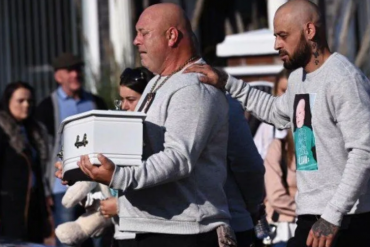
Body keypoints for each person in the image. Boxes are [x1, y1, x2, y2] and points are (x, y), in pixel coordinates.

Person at [184, 1, 370, 247]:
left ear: (309, 31)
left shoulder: (344, 79)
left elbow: (363, 151)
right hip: (311, 218)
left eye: (283, 36)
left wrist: (333, 216)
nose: (276, 45)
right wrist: (226, 81)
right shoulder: (298, 78)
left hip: (346, 222)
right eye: (275, 36)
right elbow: (275, 111)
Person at [57, 3, 231, 247]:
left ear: (171, 36)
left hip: (182, 232)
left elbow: (178, 159)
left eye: (144, 33)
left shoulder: (194, 87)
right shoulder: (157, 83)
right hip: (142, 227)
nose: (136, 41)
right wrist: (78, 166)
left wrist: (118, 175)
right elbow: (133, 148)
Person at [35, 52, 107, 247]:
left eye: (77, 70)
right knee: (67, 238)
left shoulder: (96, 102)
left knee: (97, 235)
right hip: (61, 186)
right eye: (69, 71)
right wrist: (46, 189)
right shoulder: (46, 107)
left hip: (96, 181)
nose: (75, 74)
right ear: (58, 76)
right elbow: (42, 152)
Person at [0, 82, 52, 244]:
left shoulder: (33, 131)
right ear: (8, 101)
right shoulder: (2, 131)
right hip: (8, 208)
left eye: (30, 101)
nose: (26, 105)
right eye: (20, 101)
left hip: (33, 206)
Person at [264, 130, 297, 247]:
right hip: (283, 226)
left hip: (310, 224)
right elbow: (275, 196)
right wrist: (308, 210)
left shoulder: (316, 149)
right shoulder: (279, 147)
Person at [253, 69, 290, 159]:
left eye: (292, 91)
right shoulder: (266, 128)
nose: (288, 96)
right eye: (283, 91)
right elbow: (255, 159)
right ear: (275, 92)